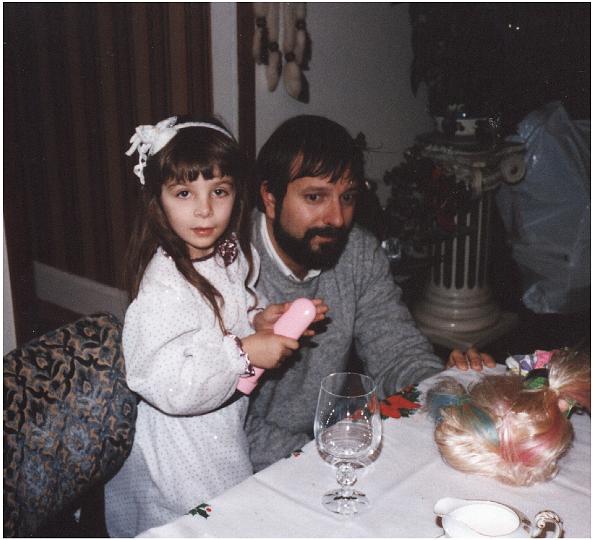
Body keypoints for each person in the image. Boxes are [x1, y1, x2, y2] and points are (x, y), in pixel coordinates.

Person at [104, 116, 325, 537]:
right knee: (194, 523)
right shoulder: (163, 289)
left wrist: (259, 320)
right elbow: (167, 384)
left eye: (218, 191)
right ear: (158, 200)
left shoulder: (227, 254)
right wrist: (243, 352)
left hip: (221, 429)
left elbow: (236, 305)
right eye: (184, 193)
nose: (204, 209)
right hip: (177, 448)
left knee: (228, 508)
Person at [245, 114, 496, 472]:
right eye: (315, 197)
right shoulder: (227, 268)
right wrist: (328, 453)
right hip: (249, 468)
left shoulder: (357, 253)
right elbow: (230, 429)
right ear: (270, 198)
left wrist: (447, 389)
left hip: (325, 444)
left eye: (347, 197)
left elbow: (397, 352)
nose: (336, 218)